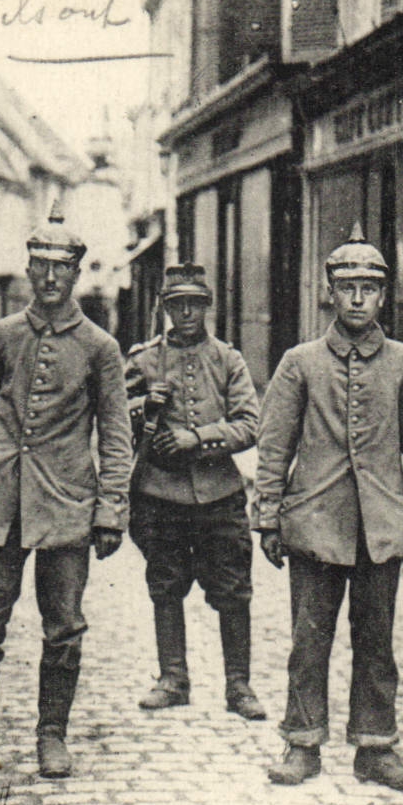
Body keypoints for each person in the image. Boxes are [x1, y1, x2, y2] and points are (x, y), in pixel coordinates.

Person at [0, 208, 132, 783]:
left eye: (60, 268)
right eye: (39, 265)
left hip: (66, 504)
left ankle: (52, 736)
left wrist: (111, 509)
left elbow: (116, 434)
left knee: (63, 625)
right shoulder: (1, 336)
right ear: (27, 268)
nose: (49, 278)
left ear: (77, 274)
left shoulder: (99, 348)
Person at [253, 226, 403, 793]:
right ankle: (303, 742)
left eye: (369, 287)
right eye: (347, 287)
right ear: (329, 294)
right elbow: (274, 445)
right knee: (309, 640)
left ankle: (375, 746)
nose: (358, 298)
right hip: (315, 523)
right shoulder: (300, 362)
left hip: (381, 526)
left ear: (384, 296)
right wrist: (268, 515)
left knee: (377, 639)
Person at [124, 264, 264, 720]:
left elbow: (250, 423)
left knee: (233, 588)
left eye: (194, 304)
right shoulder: (144, 360)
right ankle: (173, 677)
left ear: (207, 307)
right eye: (176, 304)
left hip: (218, 494)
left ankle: (239, 685)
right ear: (165, 308)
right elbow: (112, 415)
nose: (186, 313)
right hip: (160, 494)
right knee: (165, 584)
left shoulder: (228, 360)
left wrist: (199, 437)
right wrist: (145, 404)